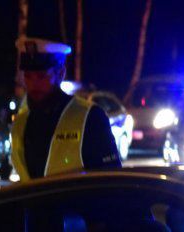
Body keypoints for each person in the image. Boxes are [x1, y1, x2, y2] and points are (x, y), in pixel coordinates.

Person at [10, 37, 121, 180]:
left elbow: (110, 182)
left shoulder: (90, 117)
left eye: (42, 76)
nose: (33, 85)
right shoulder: (20, 121)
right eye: (28, 76)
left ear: (60, 74)